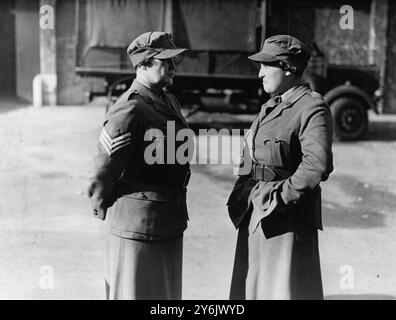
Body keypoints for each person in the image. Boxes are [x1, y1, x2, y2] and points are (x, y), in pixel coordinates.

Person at [227, 35, 334, 300]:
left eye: (266, 65)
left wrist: (281, 197)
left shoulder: (312, 106)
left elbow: (316, 164)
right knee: (254, 288)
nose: (260, 73)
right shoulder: (270, 106)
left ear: (289, 68)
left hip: (285, 219)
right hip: (257, 211)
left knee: (283, 290)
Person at [87, 31, 191, 300]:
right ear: (144, 64)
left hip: (167, 219)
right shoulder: (130, 107)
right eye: (165, 60)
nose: (172, 66)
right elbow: (104, 168)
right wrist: (101, 202)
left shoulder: (168, 100)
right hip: (139, 226)